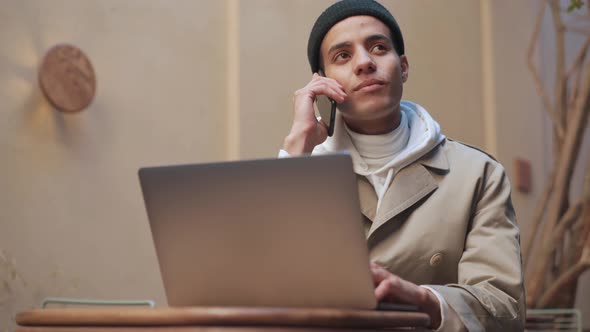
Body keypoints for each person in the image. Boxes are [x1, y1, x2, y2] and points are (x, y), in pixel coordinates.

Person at [279, 0, 526, 331]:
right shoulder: (299, 173)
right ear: (322, 84)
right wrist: (297, 145)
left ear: (404, 66)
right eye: (343, 56)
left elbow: (504, 309)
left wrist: (425, 301)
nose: (365, 63)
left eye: (379, 48)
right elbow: (253, 283)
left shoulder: (477, 174)